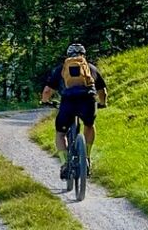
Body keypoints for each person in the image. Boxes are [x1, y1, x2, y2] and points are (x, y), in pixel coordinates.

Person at [40, 43, 108, 179]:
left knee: (60, 133)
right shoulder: (91, 68)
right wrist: (102, 103)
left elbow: (47, 90)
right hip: (87, 101)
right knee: (89, 125)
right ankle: (87, 157)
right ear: (84, 55)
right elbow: (103, 91)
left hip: (68, 102)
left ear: (68, 55)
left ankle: (65, 163)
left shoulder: (61, 69)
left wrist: (45, 101)